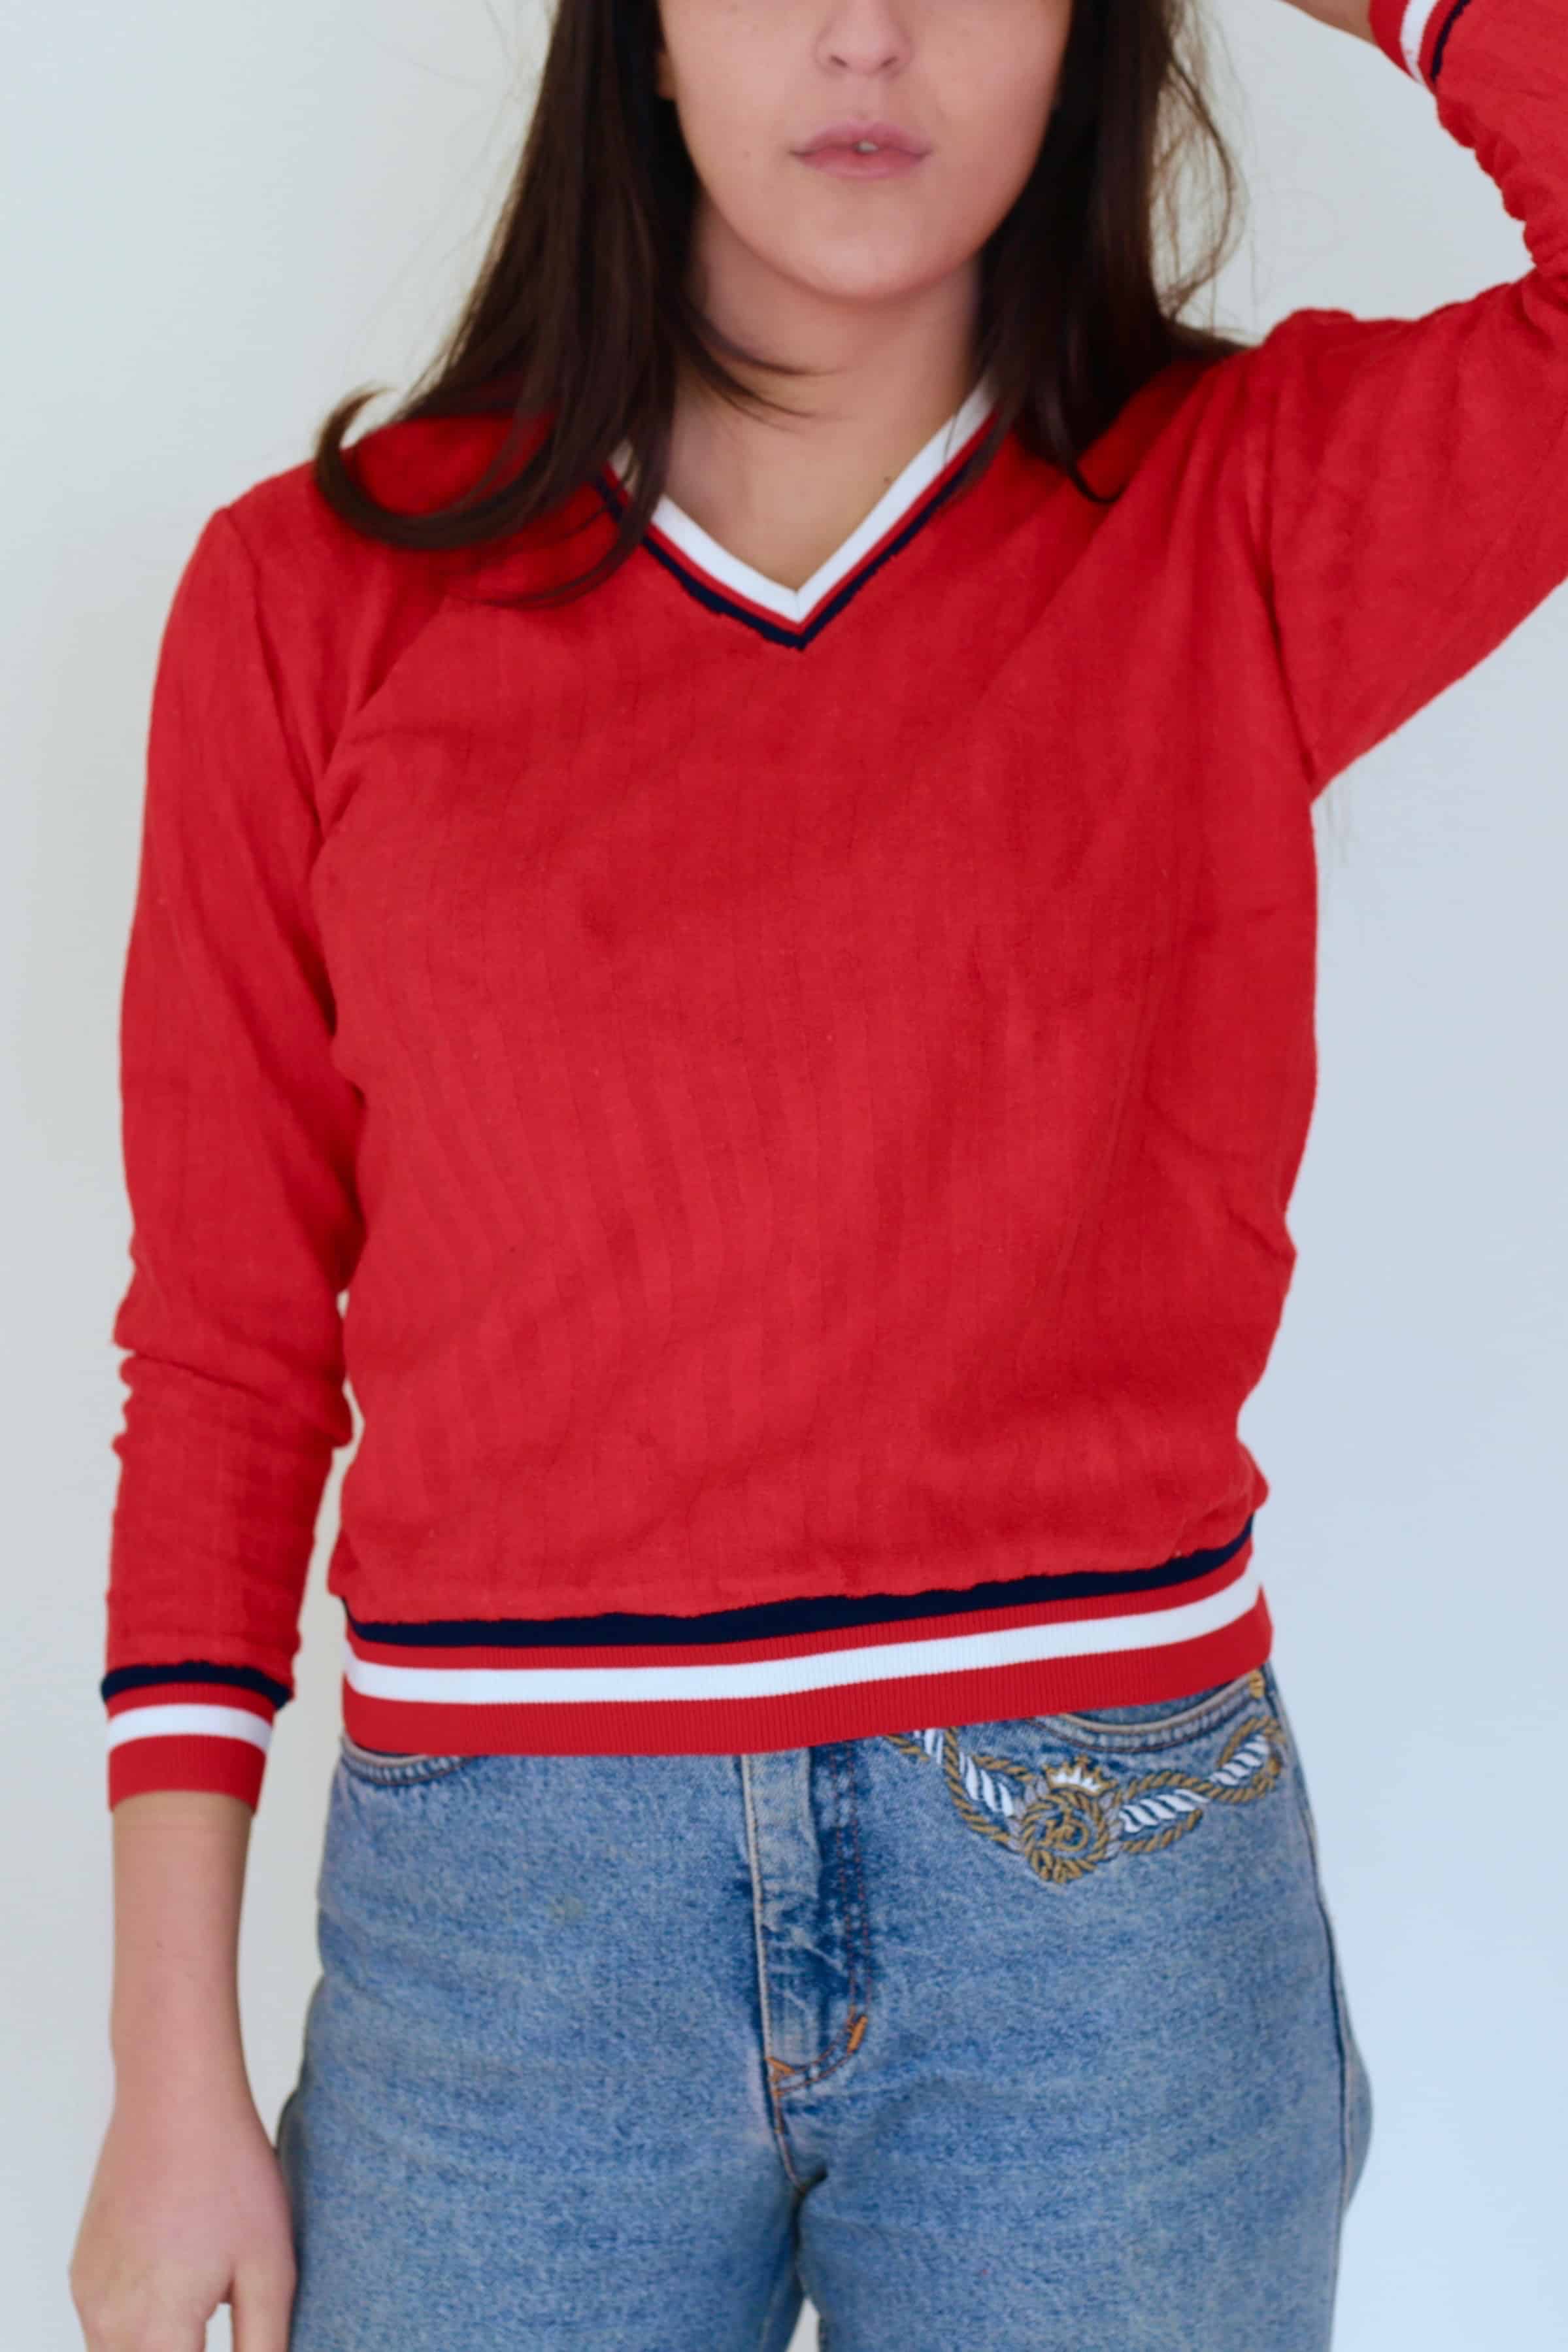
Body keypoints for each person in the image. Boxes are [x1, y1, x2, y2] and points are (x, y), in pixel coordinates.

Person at [69, 0, 1565, 2343]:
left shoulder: (1236, 514)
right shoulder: (313, 600)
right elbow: (235, 1359)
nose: (867, 35)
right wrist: (170, 2075)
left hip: (1113, 1918)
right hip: (505, 1948)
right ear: (639, 39)